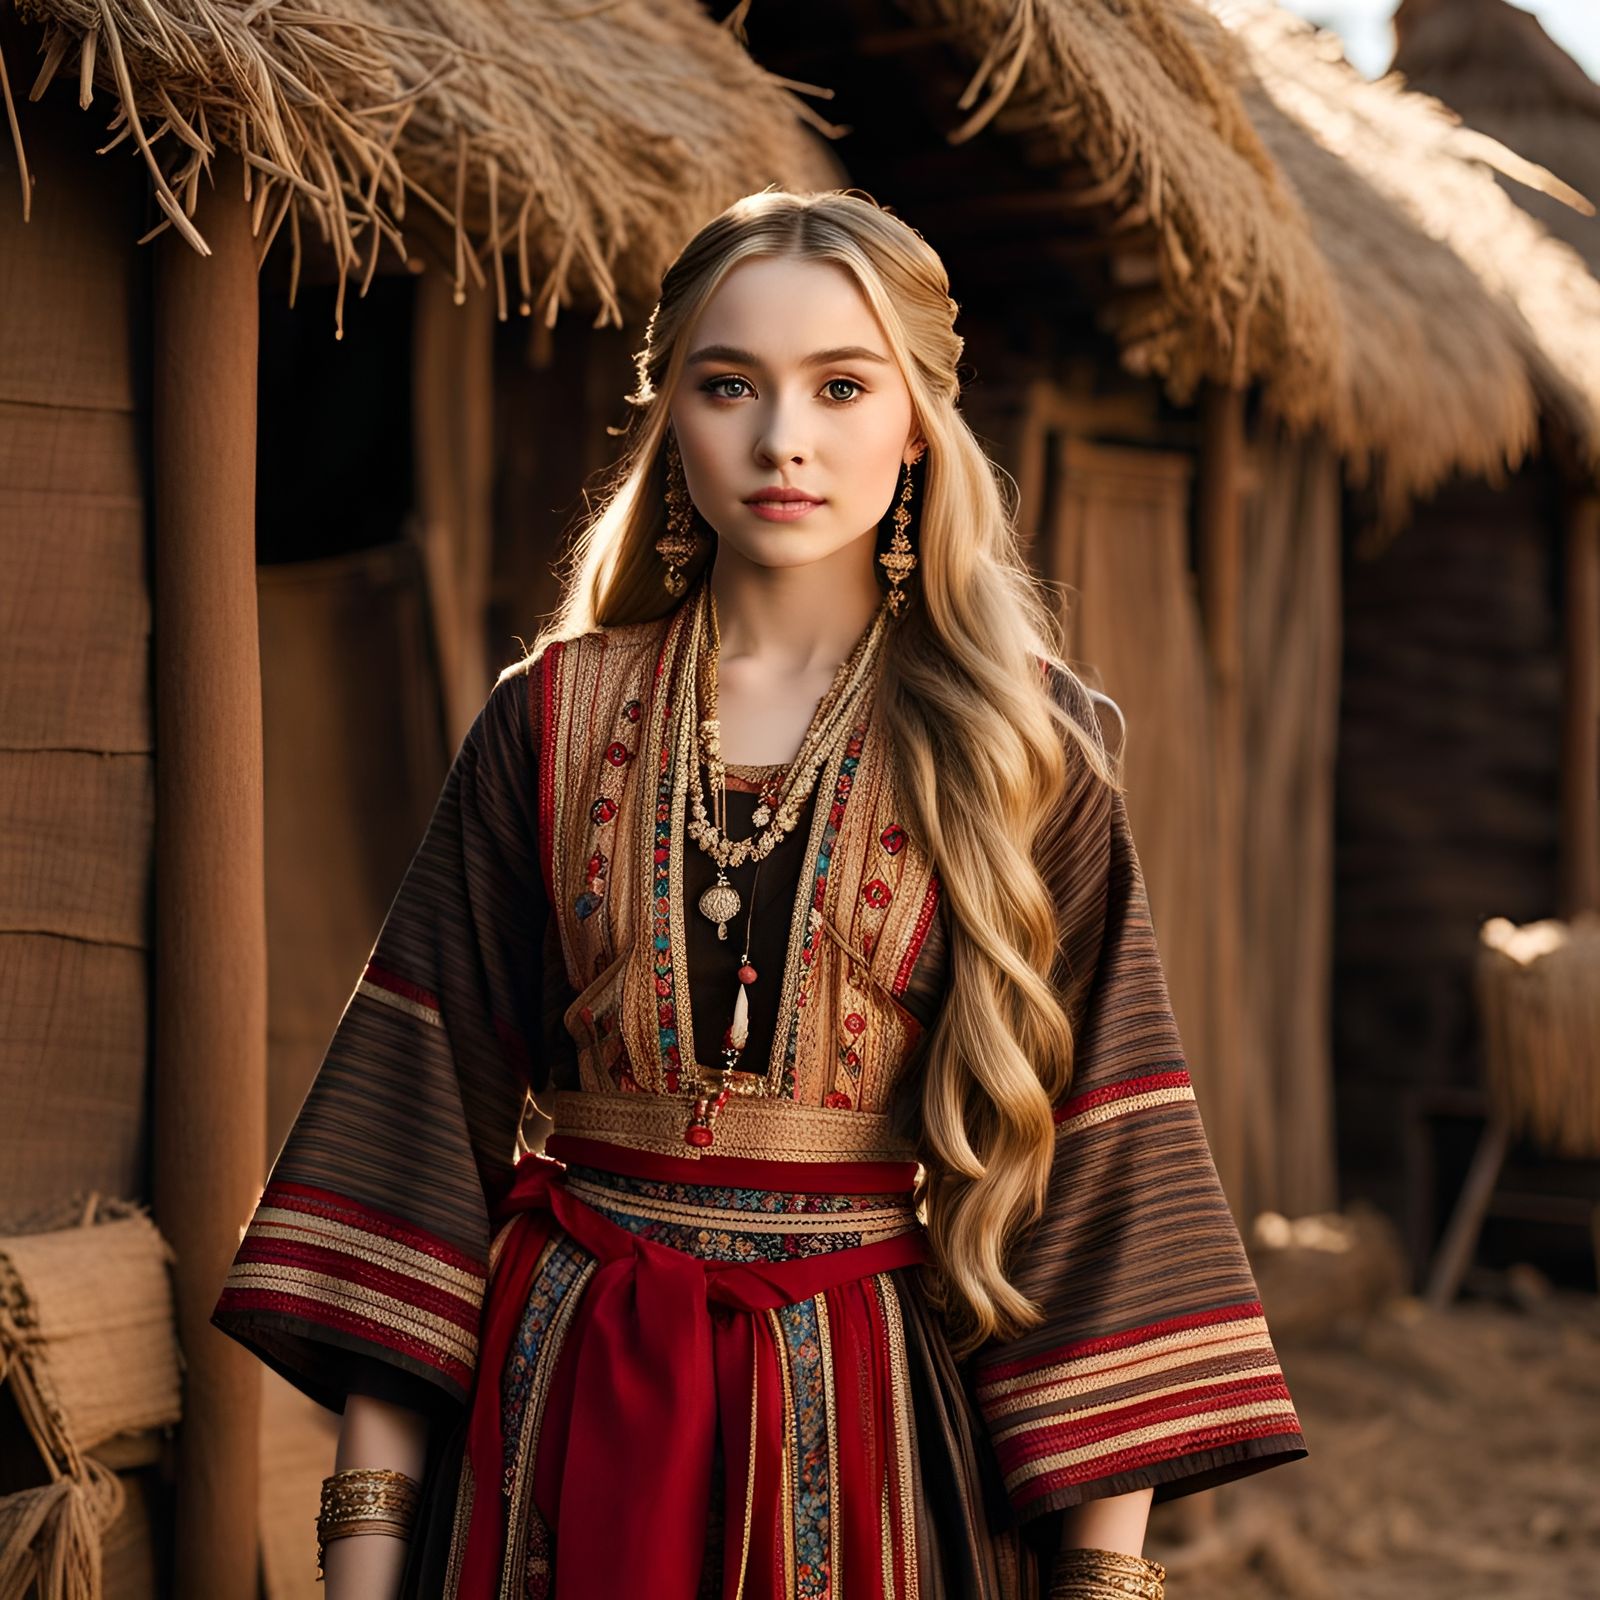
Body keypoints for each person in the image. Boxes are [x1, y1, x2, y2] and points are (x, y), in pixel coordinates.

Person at [213, 189, 1306, 1600]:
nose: (783, 438)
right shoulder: (548, 724)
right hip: (562, 1413)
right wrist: (363, 1565)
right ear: (672, 413)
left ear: (915, 422)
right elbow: (412, 1150)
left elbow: (1104, 1187)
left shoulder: (1026, 752)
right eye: (729, 385)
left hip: (865, 1453)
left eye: (842, 385)